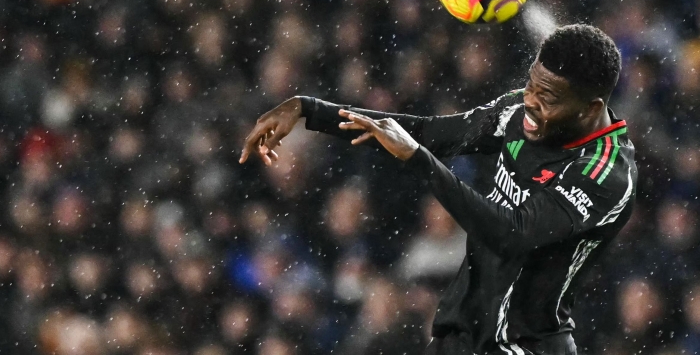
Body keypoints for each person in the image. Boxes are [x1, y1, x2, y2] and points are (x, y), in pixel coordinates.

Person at [240, 24, 636, 355]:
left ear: (589, 108)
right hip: (462, 333)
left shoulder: (605, 173)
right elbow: (429, 133)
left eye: (546, 97)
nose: (530, 102)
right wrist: (310, 110)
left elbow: (511, 233)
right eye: (531, 85)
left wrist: (419, 160)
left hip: (524, 344)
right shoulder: (520, 112)